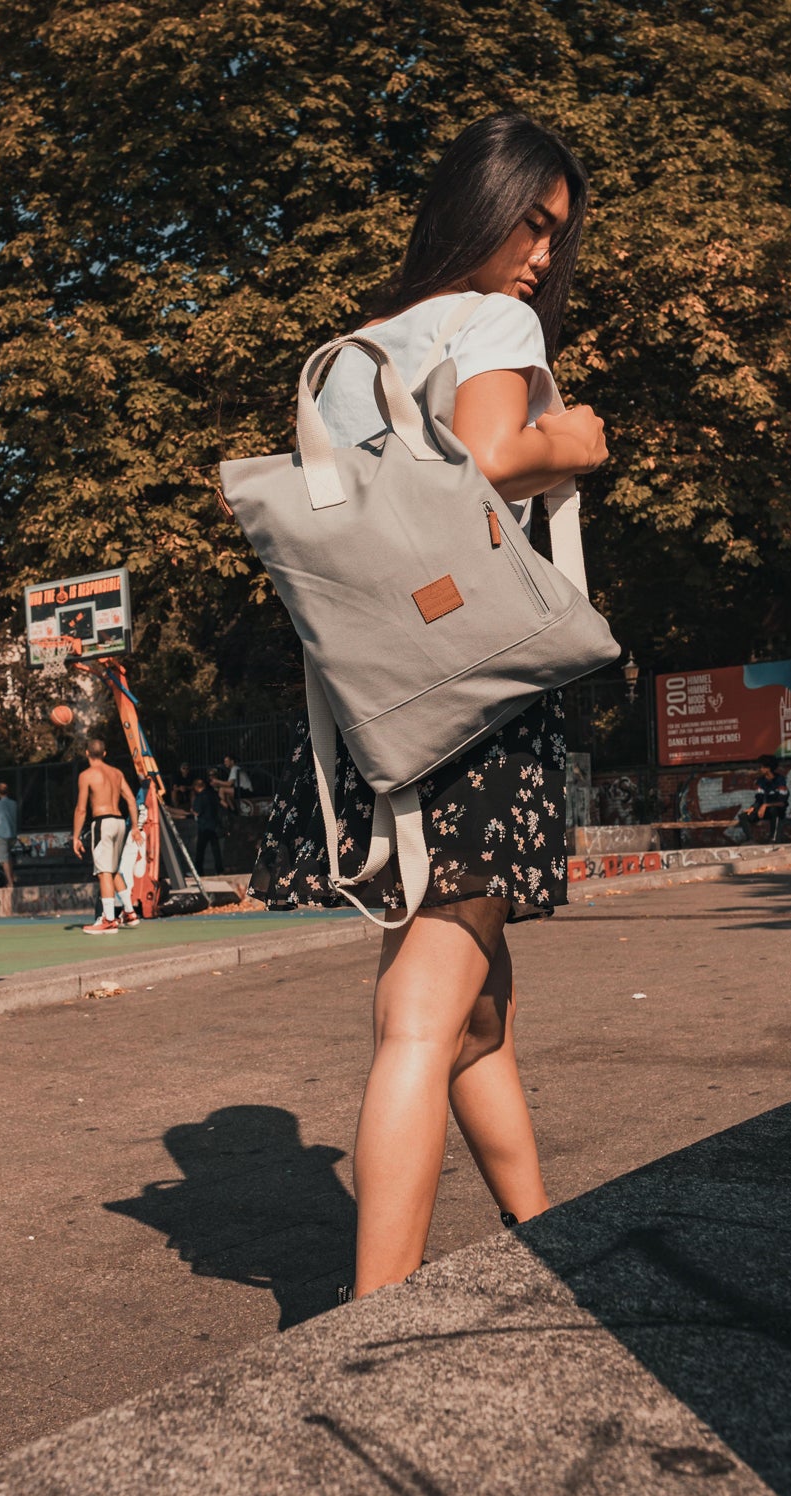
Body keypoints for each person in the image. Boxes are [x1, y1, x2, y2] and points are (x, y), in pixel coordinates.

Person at [248, 114, 608, 1300]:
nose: (544, 255)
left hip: (384, 710)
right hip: (480, 700)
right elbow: (486, 460)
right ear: (479, 205)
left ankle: (541, 1230)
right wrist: (572, 441)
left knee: (480, 1005)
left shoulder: (350, 357)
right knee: (423, 1008)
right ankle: (371, 1316)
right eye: (533, 222)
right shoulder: (491, 323)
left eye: (558, 234)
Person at [73, 738, 140, 934]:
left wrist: (75, 837)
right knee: (112, 871)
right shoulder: (117, 773)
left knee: (103, 872)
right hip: (120, 822)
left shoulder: (86, 775)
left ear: (86, 753)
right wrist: (135, 826)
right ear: (104, 753)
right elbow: (130, 800)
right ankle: (129, 912)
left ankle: (109, 919)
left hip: (103, 822)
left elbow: (81, 809)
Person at [735, 754, 790, 839]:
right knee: (743, 816)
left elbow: (782, 802)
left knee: (773, 810)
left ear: (768, 768)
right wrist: (753, 808)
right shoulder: (760, 781)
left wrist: (766, 805)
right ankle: (751, 839)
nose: (761, 769)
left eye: (762, 767)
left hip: (777, 810)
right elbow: (759, 799)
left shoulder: (780, 780)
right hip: (763, 811)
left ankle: (774, 838)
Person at [190, 776, 224, 875]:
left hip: (204, 827)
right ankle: (219, 870)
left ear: (196, 787)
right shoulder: (212, 794)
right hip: (214, 825)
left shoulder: (200, 797)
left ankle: (198, 871)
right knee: (216, 850)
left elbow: (197, 812)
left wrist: (192, 809)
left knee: (200, 850)